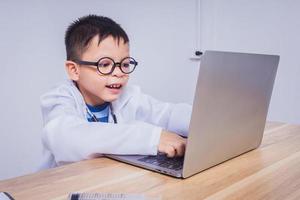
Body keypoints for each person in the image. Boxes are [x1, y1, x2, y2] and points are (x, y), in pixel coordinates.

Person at [40, 14, 192, 169]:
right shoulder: (59, 99)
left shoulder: (129, 96)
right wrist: (152, 138)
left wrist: (202, 121)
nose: (119, 72)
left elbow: (167, 114)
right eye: (105, 64)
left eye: (125, 64)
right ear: (74, 70)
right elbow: (67, 137)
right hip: (63, 187)